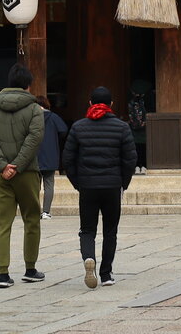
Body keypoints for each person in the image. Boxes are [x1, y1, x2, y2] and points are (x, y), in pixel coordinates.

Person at [62, 86, 137, 289]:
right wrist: (124, 183)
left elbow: (68, 159)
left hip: (88, 185)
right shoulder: (122, 128)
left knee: (87, 229)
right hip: (112, 185)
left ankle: (89, 259)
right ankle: (106, 274)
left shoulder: (78, 127)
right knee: (110, 231)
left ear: (90, 103)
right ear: (111, 104)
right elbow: (130, 160)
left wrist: (78, 182)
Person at [0, 63, 45, 288]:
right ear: (28, 85)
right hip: (26, 172)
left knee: (2, 222)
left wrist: (2, 165)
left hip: (1, 174)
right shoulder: (34, 109)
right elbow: (34, 139)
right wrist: (17, 165)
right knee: (32, 219)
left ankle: (2, 273)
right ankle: (30, 268)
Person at [34, 96, 68, 220]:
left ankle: (34, 211)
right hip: (50, 154)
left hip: (33, 155)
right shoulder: (53, 117)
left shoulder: (31, 117)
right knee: (49, 184)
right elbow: (64, 130)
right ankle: (46, 211)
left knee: (34, 186)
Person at [125, 84, 148, 174]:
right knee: (144, 148)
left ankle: (136, 166)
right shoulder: (145, 101)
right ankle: (144, 166)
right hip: (144, 128)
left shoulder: (131, 102)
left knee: (135, 148)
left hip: (133, 128)